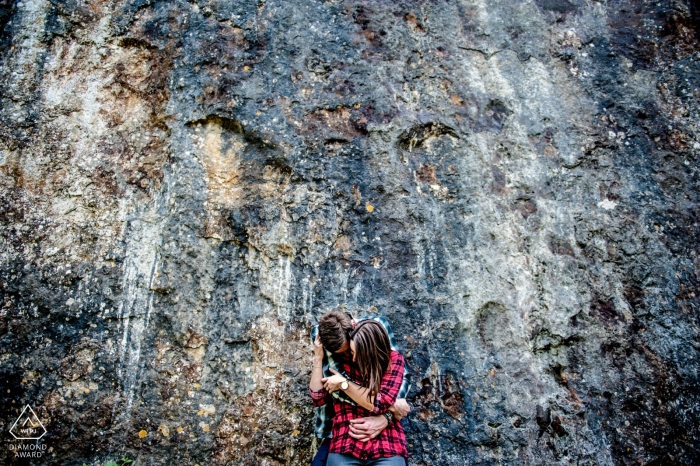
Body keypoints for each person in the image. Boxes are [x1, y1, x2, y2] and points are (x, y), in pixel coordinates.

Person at [309, 311, 410, 466]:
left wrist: (388, 413)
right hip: (344, 436)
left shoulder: (382, 340)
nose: (351, 357)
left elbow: (399, 380)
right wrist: (318, 357)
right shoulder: (324, 338)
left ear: (353, 329)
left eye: (351, 351)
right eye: (348, 352)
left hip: (385, 439)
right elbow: (318, 396)